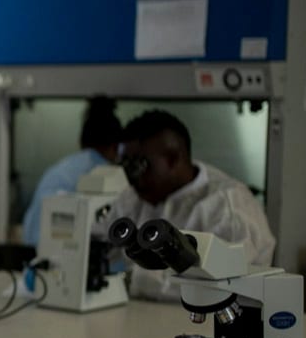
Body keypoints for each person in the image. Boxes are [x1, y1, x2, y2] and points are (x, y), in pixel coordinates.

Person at [108, 109, 276, 300]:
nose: (133, 179)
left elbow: (224, 282)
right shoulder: (134, 196)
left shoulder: (227, 204)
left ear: (172, 159)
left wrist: (134, 279)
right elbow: (106, 251)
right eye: (126, 166)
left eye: (139, 166)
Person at [21, 96, 122, 246]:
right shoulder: (109, 176)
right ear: (116, 147)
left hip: (31, 253)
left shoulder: (57, 170)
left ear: (80, 141)